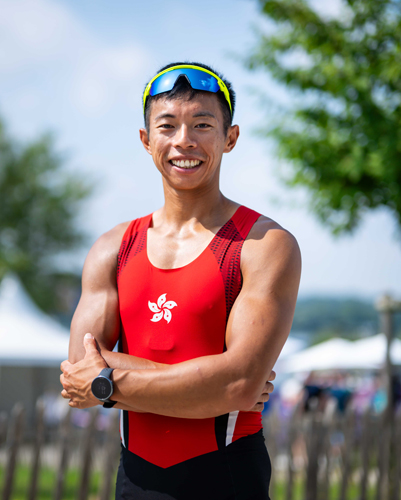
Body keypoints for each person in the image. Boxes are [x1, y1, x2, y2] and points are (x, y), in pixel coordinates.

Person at [60, 62, 301, 500]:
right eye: (167, 126)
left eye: (202, 125)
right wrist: (209, 382)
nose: (184, 140)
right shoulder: (113, 248)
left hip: (227, 478)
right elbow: (79, 374)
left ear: (230, 138)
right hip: (135, 480)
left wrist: (108, 380)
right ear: (146, 139)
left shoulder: (263, 245)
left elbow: (239, 385)